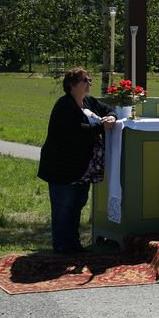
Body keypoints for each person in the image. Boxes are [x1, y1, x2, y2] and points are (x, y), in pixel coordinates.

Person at [37, 67, 117, 253]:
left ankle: (73, 244)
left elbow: (109, 109)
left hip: (82, 168)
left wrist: (111, 117)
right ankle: (61, 246)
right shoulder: (64, 105)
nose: (89, 83)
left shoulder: (88, 102)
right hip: (62, 167)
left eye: (89, 79)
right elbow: (75, 132)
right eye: (85, 80)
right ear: (72, 85)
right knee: (63, 208)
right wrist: (101, 127)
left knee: (77, 205)